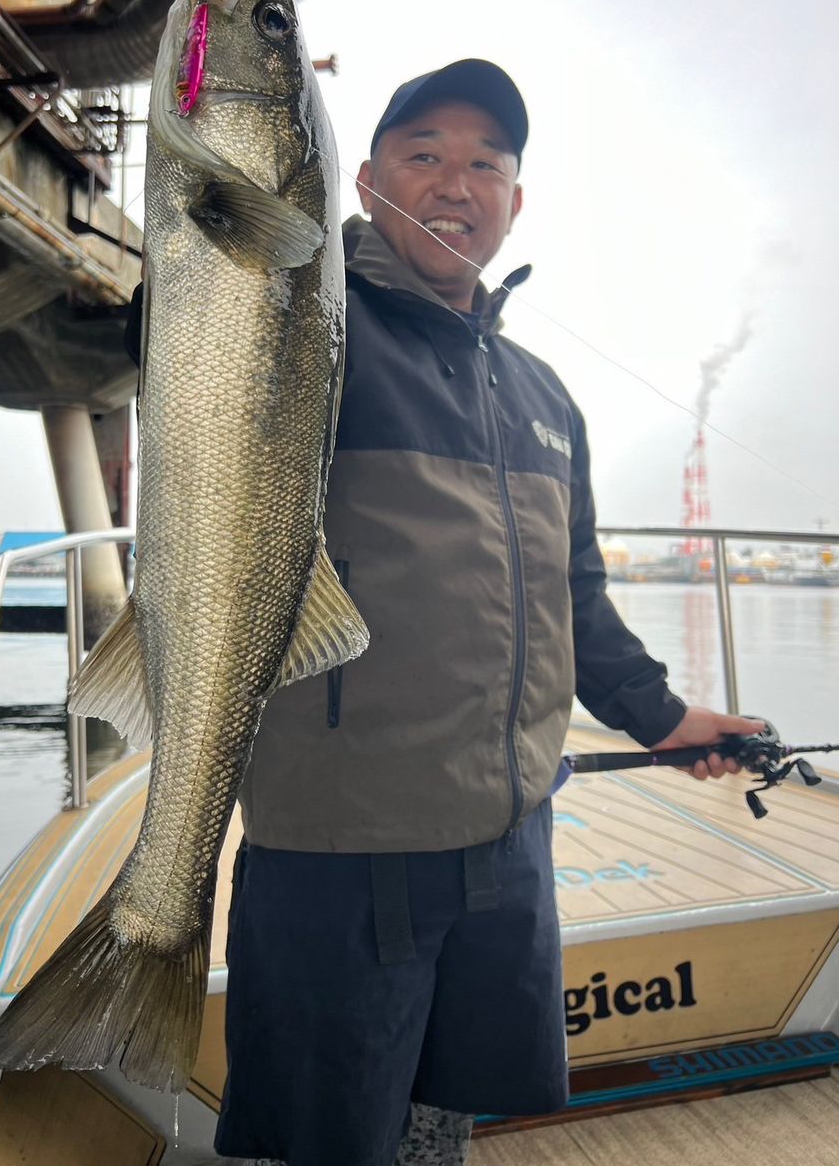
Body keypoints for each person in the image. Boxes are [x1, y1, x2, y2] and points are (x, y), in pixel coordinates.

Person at [203, 59, 756, 1166]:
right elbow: (188, 308)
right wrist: (220, 132)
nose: (456, 183)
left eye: (484, 165)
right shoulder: (306, 330)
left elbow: (576, 592)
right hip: (345, 842)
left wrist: (662, 714)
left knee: (441, 1117)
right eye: (424, 156)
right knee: (328, 1136)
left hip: (507, 833)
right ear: (363, 183)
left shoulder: (544, 393)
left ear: (515, 199)